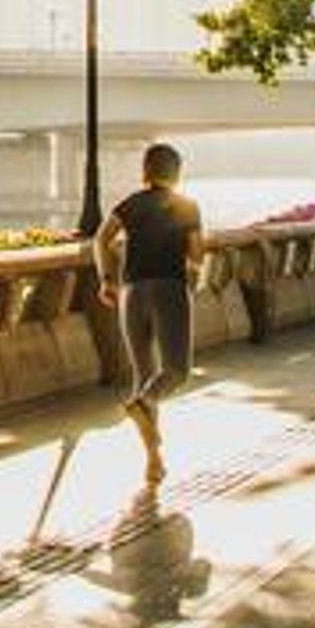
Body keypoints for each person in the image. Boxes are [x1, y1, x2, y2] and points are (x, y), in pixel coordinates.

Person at [92, 141, 204, 485]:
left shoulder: (130, 204)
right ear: (177, 172)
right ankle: (146, 403)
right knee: (175, 372)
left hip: (131, 293)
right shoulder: (187, 206)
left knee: (144, 374)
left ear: (145, 171)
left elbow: (101, 240)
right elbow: (196, 254)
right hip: (168, 289)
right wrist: (195, 278)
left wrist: (107, 279)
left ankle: (153, 462)